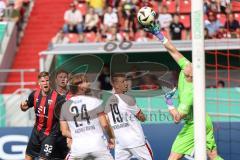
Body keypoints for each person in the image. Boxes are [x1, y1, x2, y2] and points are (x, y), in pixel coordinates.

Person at [141, 22, 223, 160]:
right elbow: (173, 50)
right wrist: (159, 35)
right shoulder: (187, 67)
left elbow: (177, 119)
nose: (188, 63)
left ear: (192, 75)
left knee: (172, 158)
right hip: (206, 120)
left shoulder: (189, 96)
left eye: (191, 66)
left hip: (194, 124)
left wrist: (168, 102)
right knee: (213, 156)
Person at [60, 74, 115, 160]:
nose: (88, 84)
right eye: (86, 82)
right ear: (79, 86)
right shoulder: (95, 101)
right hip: (98, 146)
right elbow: (105, 125)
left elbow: (64, 132)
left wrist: (78, 136)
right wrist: (111, 137)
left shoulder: (65, 106)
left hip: (78, 149)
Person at [20, 71, 67, 160]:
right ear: (39, 83)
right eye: (43, 81)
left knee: (43, 158)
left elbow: (65, 117)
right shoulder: (34, 94)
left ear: (50, 82)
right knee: (28, 157)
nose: (45, 83)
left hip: (50, 134)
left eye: (47, 80)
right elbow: (25, 107)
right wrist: (22, 106)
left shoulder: (58, 98)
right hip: (36, 132)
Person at [105, 73, 153, 160]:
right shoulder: (127, 99)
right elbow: (142, 118)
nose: (126, 84)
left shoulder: (107, 102)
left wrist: (110, 138)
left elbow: (107, 123)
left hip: (120, 142)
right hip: (136, 141)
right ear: (116, 85)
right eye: (123, 82)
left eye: (126, 81)